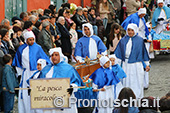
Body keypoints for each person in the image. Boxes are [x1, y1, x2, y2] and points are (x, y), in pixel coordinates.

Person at [12, 31, 50, 113]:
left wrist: (41, 67)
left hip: (36, 73)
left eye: (33, 39)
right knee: (26, 94)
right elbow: (18, 63)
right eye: (30, 40)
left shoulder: (38, 48)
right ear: (26, 40)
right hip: (25, 74)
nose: (32, 41)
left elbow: (45, 59)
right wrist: (20, 74)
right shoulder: (21, 49)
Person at [39, 47, 84, 113]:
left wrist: (72, 87)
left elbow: (77, 82)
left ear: (60, 56)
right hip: (49, 100)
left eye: (56, 55)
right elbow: (39, 82)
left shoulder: (68, 68)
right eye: (52, 55)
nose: (54, 57)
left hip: (65, 99)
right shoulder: (46, 69)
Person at [114, 23, 150, 99]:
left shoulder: (140, 40)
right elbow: (118, 54)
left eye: (132, 30)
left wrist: (147, 64)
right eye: (129, 30)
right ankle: (126, 98)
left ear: (135, 30)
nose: (130, 32)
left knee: (137, 82)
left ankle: (137, 97)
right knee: (126, 81)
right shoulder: (123, 40)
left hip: (137, 64)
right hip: (126, 64)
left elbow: (144, 53)